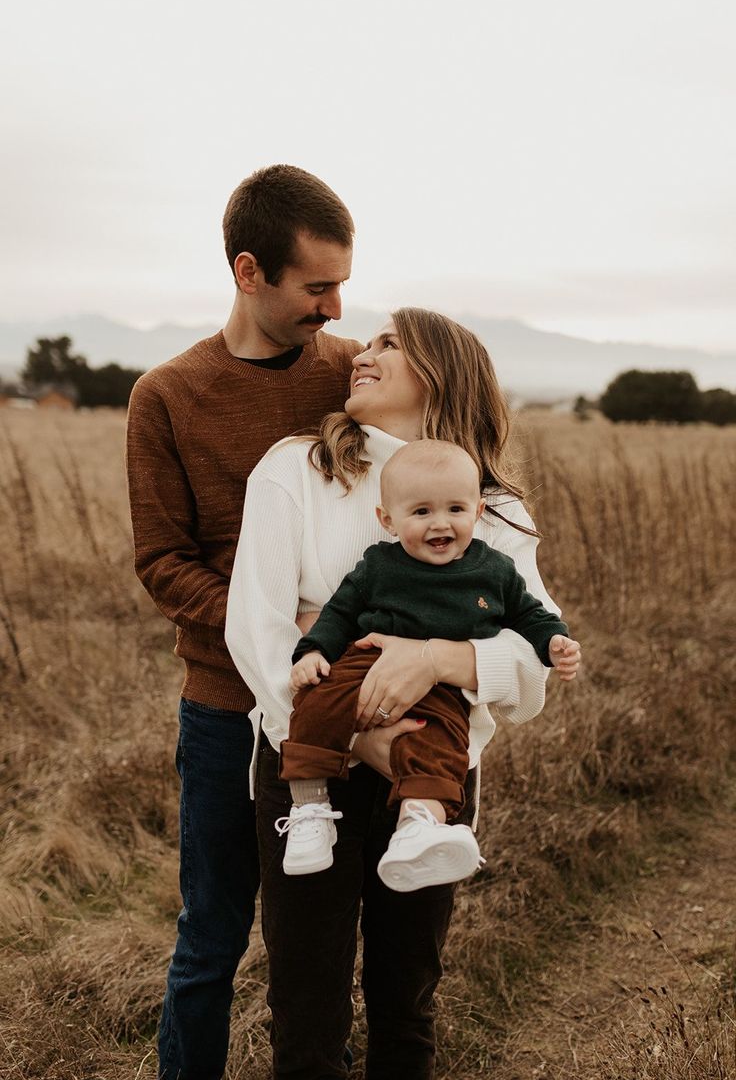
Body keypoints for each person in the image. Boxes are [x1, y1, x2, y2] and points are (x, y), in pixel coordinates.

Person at [226, 307, 582, 1080]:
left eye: (390, 342)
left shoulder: (492, 510)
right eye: (368, 338)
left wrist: (437, 657)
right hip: (306, 765)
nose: (362, 350)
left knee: (407, 995)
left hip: (436, 776)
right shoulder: (294, 469)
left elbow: (529, 677)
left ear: (440, 375)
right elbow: (258, 634)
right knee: (306, 998)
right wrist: (362, 738)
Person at [126, 164, 359, 1080]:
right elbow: (163, 562)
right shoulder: (168, 396)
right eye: (317, 286)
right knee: (211, 938)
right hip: (226, 714)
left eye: (343, 281)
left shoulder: (353, 375)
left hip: (338, 708)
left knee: (321, 947)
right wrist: (275, 625)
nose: (337, 307)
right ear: (249, 272)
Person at [280, 438, 579, 888]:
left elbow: (530, 614)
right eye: (421, 513)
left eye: (455, 510)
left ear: (478, 512)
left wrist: (554, 641)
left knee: (441, 748)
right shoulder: (379, 565)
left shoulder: (494, 571)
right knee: (317, 702)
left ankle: (419, 827)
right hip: (367, 662)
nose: (440, 524)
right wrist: (313, 652)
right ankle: (309, 808)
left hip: (443, 690)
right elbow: (339, 613)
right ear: (388, 519)